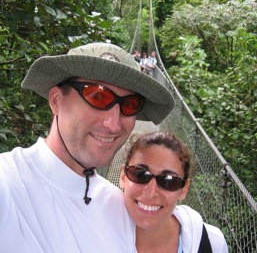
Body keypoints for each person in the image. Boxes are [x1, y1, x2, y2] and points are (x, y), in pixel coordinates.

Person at [0, 43, 175, 252]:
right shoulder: (8, 183)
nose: (113, 124)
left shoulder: (120, 206)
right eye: (97, 96)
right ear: (56, 101)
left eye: (129, 105)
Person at [120, 131, 228, 253]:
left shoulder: (212, 244)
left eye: (169, 181)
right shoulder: (97, 233)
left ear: (184, 189)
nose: (151, 193)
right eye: (140, 174)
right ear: (123, 176)